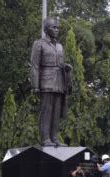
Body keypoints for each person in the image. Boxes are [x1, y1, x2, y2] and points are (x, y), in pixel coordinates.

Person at [30, 17, 72, 147]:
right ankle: (45, 138)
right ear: (46, 29)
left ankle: (54, 137)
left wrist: (66, 67)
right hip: (46, 82)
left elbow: (59, 64)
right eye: (54, 27)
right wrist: (35, 85)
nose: (57, 30)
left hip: (59, 82)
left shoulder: (60, 47)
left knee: (56, 112)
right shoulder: (39, 44)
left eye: (58, 27)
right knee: (46, 111)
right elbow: (35, 65)